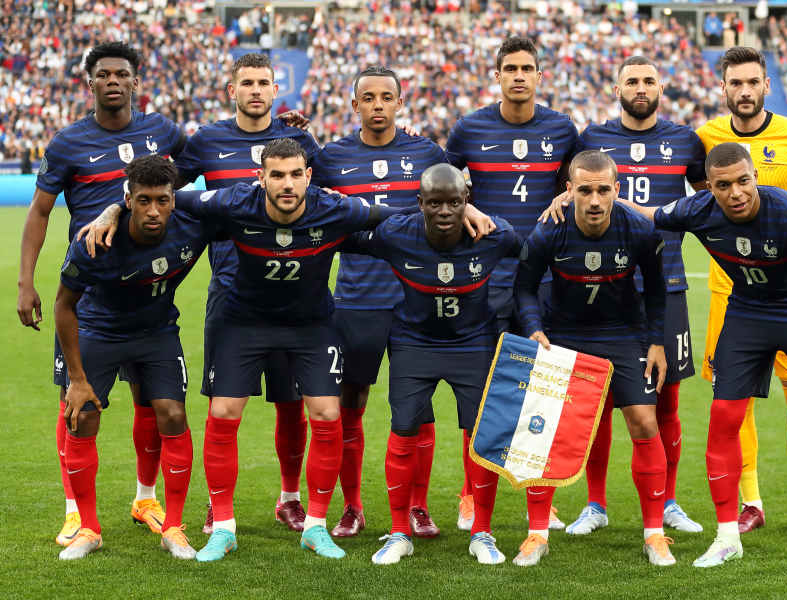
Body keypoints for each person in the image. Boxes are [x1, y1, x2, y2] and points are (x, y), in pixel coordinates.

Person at [85, 138, 492, 562]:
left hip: (311, 326)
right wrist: (113, 209)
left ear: (308, 176)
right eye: (276, 174)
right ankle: (223, 527)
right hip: (244, 322)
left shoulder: (334, 208)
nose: (287, 183)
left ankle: (316, 526)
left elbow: (407, 214)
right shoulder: (234, 202)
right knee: (223, 412)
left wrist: (469, 209)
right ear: (260, 178)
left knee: (327, 414)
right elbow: (167, 200)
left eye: (295, 174)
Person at [625, 142, 787, 573]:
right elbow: (649, 214)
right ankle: (727, 536)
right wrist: (588, 194)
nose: (736, 193)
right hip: (747, 311)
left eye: (744, 181)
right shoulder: (697, 210)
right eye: (724, 185)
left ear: (755, 178)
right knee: (724, 417)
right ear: (709, 187)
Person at [16, 41, 185, 548]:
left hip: (148, 296)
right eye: (103, 74)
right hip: (88, 295)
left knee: (150, 401)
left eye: (122, 74)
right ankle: (74, 512)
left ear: (136, 81)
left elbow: (200, 178)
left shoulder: (163, 133)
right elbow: (41, 212)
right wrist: (26, 281)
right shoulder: (68, 143)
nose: (113, 81)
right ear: (89, 82)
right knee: (77, 402)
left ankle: (145, 498)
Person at [549, 56, 707, 536]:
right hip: (602, 289)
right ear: (616, 88)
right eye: (632, 81)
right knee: (596, 399)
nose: (641, 88)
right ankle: (595, 504)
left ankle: (671, 501)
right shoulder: (592, 139)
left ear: (662, 87)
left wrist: (660, 213)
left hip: (668, 283)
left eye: (649, 81)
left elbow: (705, 200)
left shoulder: (685, 140)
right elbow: (569, 196)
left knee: (667, 401)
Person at [341, 164, 519, 565]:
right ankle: (400, 531)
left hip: (473, 344)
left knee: (481, 439)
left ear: (467, 202)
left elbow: (536, 255)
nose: (444, 211)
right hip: (413, 344)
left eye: (454, 203)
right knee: (403, 429)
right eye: (434, 203)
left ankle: (483, 532)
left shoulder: (494, 235)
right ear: (419, 204)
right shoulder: (396, 234)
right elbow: (347, 238)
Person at [175, 52, 320, 536]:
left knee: (292, 404)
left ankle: (289, 497)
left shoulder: (296, 141)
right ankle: (220, 507)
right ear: (230, 90)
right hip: (232, 292)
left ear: (276, 90)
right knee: (223, 405)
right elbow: (163, 190)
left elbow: (327, 193)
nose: (256, 90)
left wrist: (312, 137)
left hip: (294, 291)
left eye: (264, 83)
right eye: (247, 83)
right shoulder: (208, 140)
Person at [696, 46, 787, 535]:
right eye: (735, 83)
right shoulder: (706, 139)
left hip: (786, 295)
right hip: (728, 296)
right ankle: (751, 501)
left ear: (765, 85)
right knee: (733, 405)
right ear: (724, 88)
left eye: (752, 82)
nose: (744, 91)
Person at [445, 34, 578, 535]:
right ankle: (468, 495)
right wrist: (470, 205)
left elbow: (580, 180)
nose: (519, 76)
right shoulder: (469, 128)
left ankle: (537, 497)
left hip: (544, 281)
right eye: (510, 68)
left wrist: (565, 197)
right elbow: (445, 183)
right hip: (485, 280)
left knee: (540, 392)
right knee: (481, 393)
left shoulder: (562, 129)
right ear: (496, 76)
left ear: (540, 76)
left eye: (528, 68)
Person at [515, 150, 673, 567]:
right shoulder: (549, 230)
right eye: (585, 190)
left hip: (622, 334)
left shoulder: (638, 231)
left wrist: (655, 342)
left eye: (604, 190)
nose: (596, 200)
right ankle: (536, 534)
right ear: (569, 191)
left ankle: (654, 534)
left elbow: (657, 290)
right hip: (564, 334)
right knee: (542, 427)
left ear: (617, 190)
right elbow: (525, 287)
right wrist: (534, 327)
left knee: (643, 420)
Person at [55, 156, 215, 560]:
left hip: (157, 332)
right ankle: (88, 528)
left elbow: (237, 202)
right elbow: (63, 306)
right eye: (143, 200)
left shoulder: (192, 227)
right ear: (128, 199)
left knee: (173, 415)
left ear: (174, 200)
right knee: (84, 415)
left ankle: (174, 527)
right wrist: (76, 379)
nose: (153, 211)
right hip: (99, 330)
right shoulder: (95, 241)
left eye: (162, 200)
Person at [310, 66, 448, 539]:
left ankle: (418, 506)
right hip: (357, 299)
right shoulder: (333, 158)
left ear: (400, 103)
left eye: (386, 97)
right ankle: (352, 507)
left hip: (415, 300)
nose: (377, 105)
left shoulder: (426, 152)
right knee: (352, 402)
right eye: (367, 98)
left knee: (418, 405)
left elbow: (451, 199)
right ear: (355, 106)